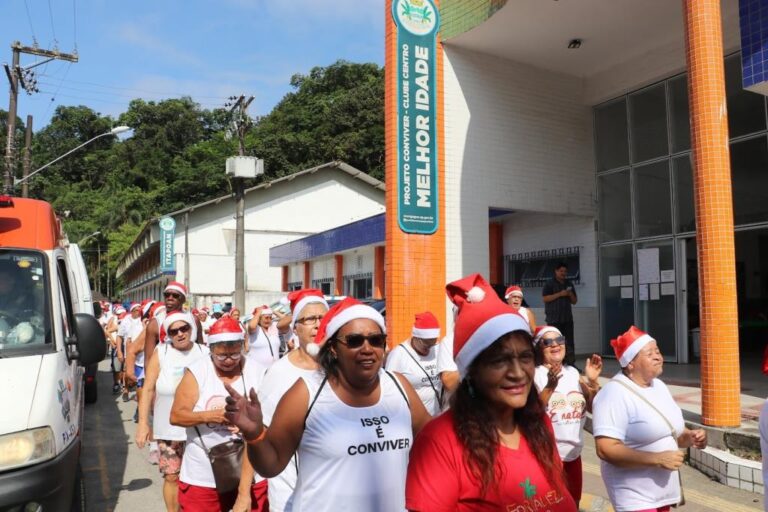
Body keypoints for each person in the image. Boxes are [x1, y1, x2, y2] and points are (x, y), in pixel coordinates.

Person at [224, 297, 431, 512]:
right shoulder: (306, 392)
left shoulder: (399, 386)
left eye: (376, 340)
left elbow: (435, 442)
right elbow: (271, 465)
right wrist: (255, 434)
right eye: (354, 340)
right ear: (333, 348)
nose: (367, 348)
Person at [406, 273, 576, 512]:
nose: (517, 373)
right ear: (472, 371)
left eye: (525, 357)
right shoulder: (440, 442)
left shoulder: (539, 423)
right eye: (499, 360)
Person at [593, 326, 707, 512]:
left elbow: (673, 433)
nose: (658, 356)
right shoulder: (613, 394)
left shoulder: (659, 386)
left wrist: (692, 437)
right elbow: (605, 449)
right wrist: (657, 459)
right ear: (630, 363)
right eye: (650, 354)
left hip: (662, 494)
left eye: (658, 351)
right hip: (634, 496)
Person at [170, 316, 269, 512]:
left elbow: (265, 427)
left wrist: (243, 493)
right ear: (211, 350)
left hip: (251, 471)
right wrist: (215, 416)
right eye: (221, 355)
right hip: (203, 474)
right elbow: (176, 416)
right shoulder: (197, 372)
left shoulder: (257, 372)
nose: (229, 361)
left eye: (234, 354)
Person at [256, 289, 328, 511]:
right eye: (309, 319)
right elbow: (260, 433)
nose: (317, 324)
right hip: (291, 494)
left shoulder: (343, 367)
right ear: (295, 327)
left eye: (323, 318)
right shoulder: (279, 373)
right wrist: (243, 492)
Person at [137, 311, 209, 512]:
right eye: (174, 331)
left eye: (184, 328)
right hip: (168, 430)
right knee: (172, 476)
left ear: (191, 329)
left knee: (200, 478)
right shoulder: (162, 352)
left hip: (199, 428)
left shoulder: (204, 352)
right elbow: (148, 388)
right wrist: (143, 424)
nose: (180, 334)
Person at [533, 325, 602, 504]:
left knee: (573, 503)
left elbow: (595, 408)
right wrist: (550, 387)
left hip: (574, 456)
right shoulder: (535, 375)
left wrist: (593, 382)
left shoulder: (572, 373)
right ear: (538, 348)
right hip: (547, 457)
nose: (555, 345)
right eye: (548, 342)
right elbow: (530, 414)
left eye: (559, 340)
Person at [385, 311, 444, 415]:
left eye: (432, 343)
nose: (429, 348)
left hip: (437, 416)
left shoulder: (437, 349)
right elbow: (389, 389)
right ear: (415, 337)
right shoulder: (398, 355)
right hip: (413, 419)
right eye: (425, 344)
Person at [542, 263, 578, 366]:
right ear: (556, 271)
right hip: (553, 319)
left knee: (569, 343)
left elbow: (574, 301)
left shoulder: (569, 283)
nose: (563, 273)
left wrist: (570, 294)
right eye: (561, 271)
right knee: (554, 342)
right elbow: (545, 298)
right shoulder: (549, 283)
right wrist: (560, 294)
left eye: (565, 271)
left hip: (567, 319)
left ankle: (571, 364)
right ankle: (554, 364)